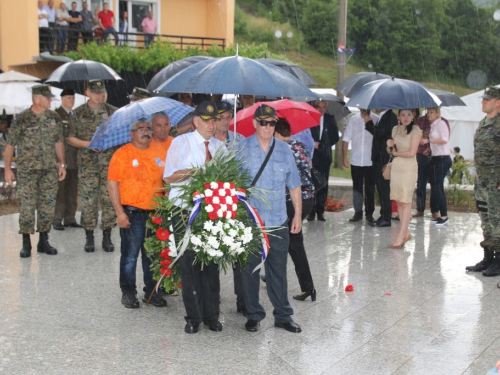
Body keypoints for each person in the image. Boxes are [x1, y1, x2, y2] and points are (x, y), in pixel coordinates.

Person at [236, 104, 303, 333]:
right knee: (250, 270)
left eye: (272, 123)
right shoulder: (240, 148)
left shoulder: (284, 150)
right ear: (255, 123)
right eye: (263, 122)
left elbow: (294, 185)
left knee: (278, 271)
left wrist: (298, 216)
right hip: (250, 223)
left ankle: (283, 316)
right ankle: (252, 314)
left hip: (277, 221)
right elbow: (231, 187)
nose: (267, 127)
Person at [163, 101, 224, 334]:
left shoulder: (220, 147)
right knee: (189, 267)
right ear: (196, 121)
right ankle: (193, 317)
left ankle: (212, 316)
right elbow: (168, 178)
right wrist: (196, 172)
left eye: (214, 120)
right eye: (207, 121)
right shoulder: (181, 143)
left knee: (210, 265)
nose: (212, 125)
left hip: (210, 213)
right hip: (185, 212)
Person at [108, 118, 168, 308]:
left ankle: (152, 293)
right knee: (130, 256)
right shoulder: (122, 154)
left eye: (148, 129)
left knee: (152, 255)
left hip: (156, 213)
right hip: (132, 214)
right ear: (131, 133)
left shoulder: (159, 151)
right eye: (140, 129)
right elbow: (112, 184)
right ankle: (128, 293)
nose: (146, 132)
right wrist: (119, 213)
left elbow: (166, 180)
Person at [3, 85, 66, 258]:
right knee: (27, 207)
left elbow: (58, 142)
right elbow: (10, 146)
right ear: (36, 98)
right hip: (28, 171)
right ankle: (26, 243)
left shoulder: (54, 117)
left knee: (47, 206)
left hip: (49, 170)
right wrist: (8, 169)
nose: (50, 100)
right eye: (47, 97)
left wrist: (62, 164)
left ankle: (43, 241)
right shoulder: (22, 119)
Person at [67, 80, 117, 253]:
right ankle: (89, 237)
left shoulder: (113, 112)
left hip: (108, 164)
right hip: (88, 165)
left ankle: (107, 236)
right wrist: (88, 144)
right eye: (95, 92)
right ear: (87, 92)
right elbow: (70, 138)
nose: (98, 95)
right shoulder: (77, 113)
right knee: (88, 202)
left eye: (101, 92)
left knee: (109, 200)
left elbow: (119, 136)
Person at [274, 118, 316, 302]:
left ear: (276, 133)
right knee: (294, 241)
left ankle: (277, 280)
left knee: (282, 241)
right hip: (307, 199)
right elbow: (309, 168)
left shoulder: (279, 150)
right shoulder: (301, 146)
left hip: (290, 201)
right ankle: (307, 287)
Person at [466, 86, 500, 277]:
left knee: (497, 220)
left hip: (496, 179)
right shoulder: (483, 122)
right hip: (483, 179)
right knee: (486, 220)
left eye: (488, 99)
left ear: (498, 102)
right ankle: (488, 257)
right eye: (483, 99)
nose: (483, 101)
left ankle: (499, 260)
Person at [385, 110, 420, 248]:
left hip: (408, 168)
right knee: (399, 201)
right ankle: (405, 233)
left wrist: (395, 152)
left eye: (409, 115)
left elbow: (412, 152)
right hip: (397, 167)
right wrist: (389, 146)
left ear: (413, 116)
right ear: (399, 116)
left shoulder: (416, 130)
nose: (406, 118)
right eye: (403, 115)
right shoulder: (395, 129)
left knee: (406, 201)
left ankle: (401, 234)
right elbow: (391, 151)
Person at [342, 109, 378, 223]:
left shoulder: (376, 119)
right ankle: (358, 213)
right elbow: (346, 139)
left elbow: (380, 138)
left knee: (370, 188)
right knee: (357, 188)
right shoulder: (353, 120)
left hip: (371, 160)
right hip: (356, 160)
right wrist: (344, 157)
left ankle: (369, 214)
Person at [364, 108, 398, 227]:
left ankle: (386, 217)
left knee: (384, 188)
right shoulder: (383, 116)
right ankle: (383, 214)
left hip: (383, 157)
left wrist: (369, 123)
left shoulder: (390, 117)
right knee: (381, 187)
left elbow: (380, 134)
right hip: (379, 157)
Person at [53, 89, 81, 230]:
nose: (72, 100)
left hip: (74, 159)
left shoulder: (74, 115)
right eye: (69, 98)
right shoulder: (57, 115)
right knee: (60, 191)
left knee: (72, 190)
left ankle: (70, 218)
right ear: (62, 99)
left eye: (73, 98)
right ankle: (57, 219)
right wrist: (58, 160)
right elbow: (55, 140)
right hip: (61, 159)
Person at [413, 109, 450, 218]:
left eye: (432, 111)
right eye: (428, 111)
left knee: (436, 184)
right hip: (422, 153)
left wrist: (428, 140)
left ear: (438, 112)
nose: (429, 114)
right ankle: (420, 208)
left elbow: (444, 139)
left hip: (439, 157)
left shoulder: (442, 122)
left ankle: (436, 210)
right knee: (421, 182)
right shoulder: (421, 121)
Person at [308, 100, 339, 222]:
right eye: (319, 107)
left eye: (324, 107)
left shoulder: (330, 119)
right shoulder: (309, 117)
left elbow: (335, 136)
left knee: (323, 183)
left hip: (325, 156)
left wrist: (325, 144)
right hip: (312, 156)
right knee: (311, 183)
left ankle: (320, 211)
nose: (321, 110)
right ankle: (311, 212)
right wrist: (312, 144)